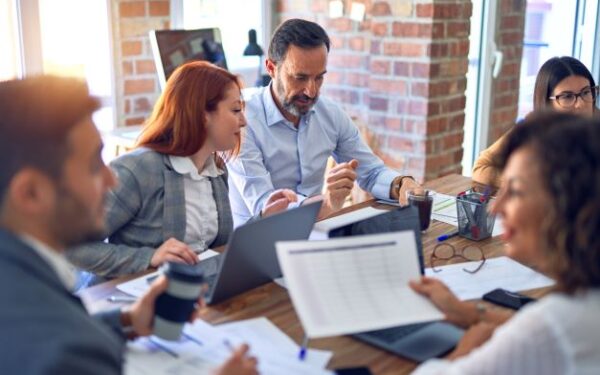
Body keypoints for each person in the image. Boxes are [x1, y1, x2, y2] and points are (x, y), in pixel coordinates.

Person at [0, 76, 256, 374]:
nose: (111, 180)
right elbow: (62, 342)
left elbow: (46, 324)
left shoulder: (23, 278)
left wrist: (127, 320)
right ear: (31, 192)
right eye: (94, 164)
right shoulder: (66, 351)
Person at [67, 61, 296, 283]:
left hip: (191, 292)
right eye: (235, 109)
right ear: (202, 114)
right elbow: (72, 246)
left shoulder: (215, 169)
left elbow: (214, 248)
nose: (244, 121)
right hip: (131, 301)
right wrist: (149, 257)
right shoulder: (140, 169)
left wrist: (263, 219)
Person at [411, 112, 600, 374]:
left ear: (565, 204)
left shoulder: (550, 329)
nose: (495, 208)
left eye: (516, 191)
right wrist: (472, 314)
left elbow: (541, 334)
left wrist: (461, 353)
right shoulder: (582, 306)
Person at [226, 18, 421, 226]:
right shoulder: (241, 120)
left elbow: (371, 172)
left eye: (319, 78)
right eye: (299, 78)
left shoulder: (330, 114)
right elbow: (265, 207)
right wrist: (326, 203)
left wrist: (401, 184)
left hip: (316, 232)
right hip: (256, 242)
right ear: (271, 68)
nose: (311, 91)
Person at [472, 56, 598, 188]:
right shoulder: (534, 127)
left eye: (586, 92)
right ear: (547, 103)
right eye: (567, 96)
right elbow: (481, 166)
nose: (580, 104)